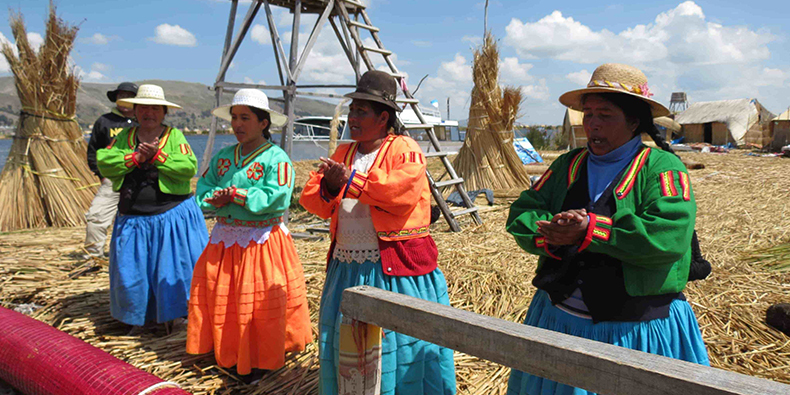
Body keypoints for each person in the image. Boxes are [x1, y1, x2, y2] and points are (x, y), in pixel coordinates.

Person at [505, 63, 709, 395]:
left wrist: (593, 230)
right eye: (588, 115)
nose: (593, 125)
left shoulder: (660, 167)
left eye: (605, 115)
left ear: (634, 122)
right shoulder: (567, 165)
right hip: (559, 321)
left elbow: (668, 237)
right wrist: (549, 233)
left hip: (633, 331)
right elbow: (524, 211)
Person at [300, 70, 456, 395]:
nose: (352, 117)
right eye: (352, 109)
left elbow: (402, 193)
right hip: (347, 267)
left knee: (400, 348)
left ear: (383, 116)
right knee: (350, 350)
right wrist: (330, 185)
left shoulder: (405, 148)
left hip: (393, 268)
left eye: (361, 111)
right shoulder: (344, 152)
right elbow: (312, 199)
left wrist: (350, 181)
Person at [186, 89, 312, 382]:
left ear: (263, 122)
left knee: (257, 305)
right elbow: (203, 189)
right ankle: (228, 353)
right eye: (234, 117)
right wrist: (213, 200)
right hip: (225, 241)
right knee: (224, 298)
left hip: (261, 242)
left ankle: (260, 360)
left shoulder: (276, 158)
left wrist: (239, 196)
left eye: (245, 118)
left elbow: (278, 198)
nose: (237, 124)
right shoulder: (223, 157)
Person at [96, 84, 208, 332]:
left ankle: (175, 318)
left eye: (155, 108)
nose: (149, 113)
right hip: (134, 218)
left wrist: (158, 156)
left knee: (172, 271)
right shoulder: (124, 138)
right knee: (133, 274)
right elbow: (104, 162)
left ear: (164, 112)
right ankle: (140, 317)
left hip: (170, 217)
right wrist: (134, 158)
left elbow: (188, 166)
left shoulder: (174, 136)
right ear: (134, 111)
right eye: (143, 108)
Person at [82, 82, 138, 259]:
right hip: (113, 180)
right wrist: (102, 174)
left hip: (141, 180)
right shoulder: (105, 121)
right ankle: (93, 257)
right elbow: (94, 151)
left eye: (129, 95)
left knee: (138, 219)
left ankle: (130, 257)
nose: (124, 99)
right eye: (121, 95)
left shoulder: (143, 120)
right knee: (96, 218)